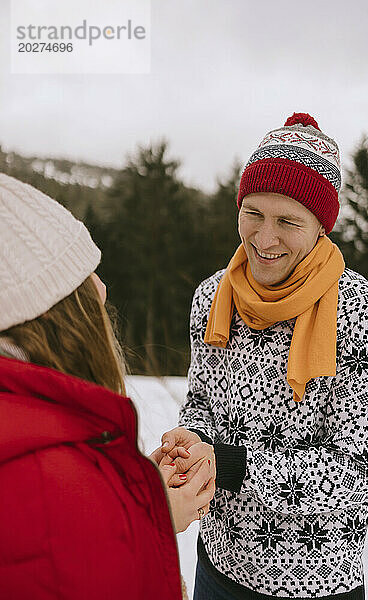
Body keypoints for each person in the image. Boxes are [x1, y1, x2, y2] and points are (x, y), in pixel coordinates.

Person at [158, 113, 368, 599]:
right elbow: (203, 399)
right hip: (219, 565)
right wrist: (191, 439)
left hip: (315, 582)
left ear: (321, 227)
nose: (263, 240)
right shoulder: (214, 296)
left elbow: (351, 474)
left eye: (288, 221)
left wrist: (226, 464)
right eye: (253, 214)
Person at [0, 173, 215, 600]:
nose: (102, 287)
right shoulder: (48, 478)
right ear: (48, 309)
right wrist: (142, 513)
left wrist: (125, 493)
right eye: (85, 274)